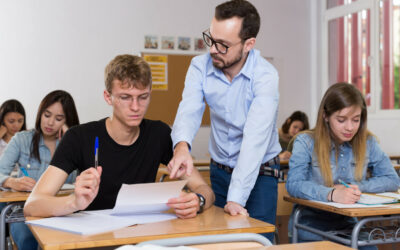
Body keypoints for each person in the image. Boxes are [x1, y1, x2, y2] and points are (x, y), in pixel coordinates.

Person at [24, 55, 214, 221]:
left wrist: (199, 201)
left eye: (143, 97)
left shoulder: (159, 134)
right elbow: (32, 205)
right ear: (108, 97)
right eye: (125, 97)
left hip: (141, 237)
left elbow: (204, 188)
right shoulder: (79, 137)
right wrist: (74, 202)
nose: (135, 106)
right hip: (94, 239)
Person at [168, 0, 280, 241]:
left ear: (249, 44)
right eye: (211, 38)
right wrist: (181, 147)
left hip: (260, 173)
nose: (212, 50)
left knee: (257, 242)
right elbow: (189, 109)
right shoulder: (199, 66)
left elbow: (254, 141)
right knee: (216, 240)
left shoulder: (265, 76)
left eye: (223, 45)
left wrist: (235, 199)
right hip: (219, 171)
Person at [286, 83, 400, 250]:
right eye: (341, 120)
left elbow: (392, 180)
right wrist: (332, 194)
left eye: (356, 120)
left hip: (349, 226)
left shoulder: (368, 142)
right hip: (309, 226)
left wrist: (356, 187)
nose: (349, 127)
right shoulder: (305, 142)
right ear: (325, 116)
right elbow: (294, 184)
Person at [0, 90, 79, 250]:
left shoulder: (75, 144)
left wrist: (70, 139)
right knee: (30, 240)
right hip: (25, 211)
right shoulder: (22, 140)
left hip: (63, 210)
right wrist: (11, 181)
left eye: (58, 119)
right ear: (40, 114)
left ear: (68, 121)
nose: (50, 123)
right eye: (46, 115)